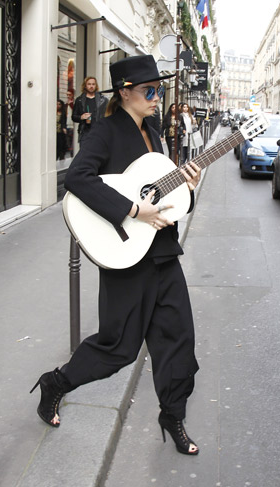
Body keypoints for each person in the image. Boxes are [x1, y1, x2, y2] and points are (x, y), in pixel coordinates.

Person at [31, 55, 203, 456]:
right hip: (126, 255)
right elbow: (77, 178)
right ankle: (56, 382)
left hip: (162, 252)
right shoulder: (105, 131)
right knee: (118, 347)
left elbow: (164, 195)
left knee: (178, 339)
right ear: (125, 91)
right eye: (150, 90)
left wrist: (189, 186)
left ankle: (172, 416)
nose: (157, 97)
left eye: (159, 90)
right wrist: (131, 210)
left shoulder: (155, 133)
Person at [71, 76, 108, 143]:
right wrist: (81, 117)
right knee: (85, 153)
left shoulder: (103, 100)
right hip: (85, 132)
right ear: (85, 86)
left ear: (96, 86)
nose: (91, 86)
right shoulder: (79, 100)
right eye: (89, 84)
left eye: (93, 84)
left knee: (98, 153)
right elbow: (74, 117)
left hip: (99, 133)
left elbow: (108, 116)